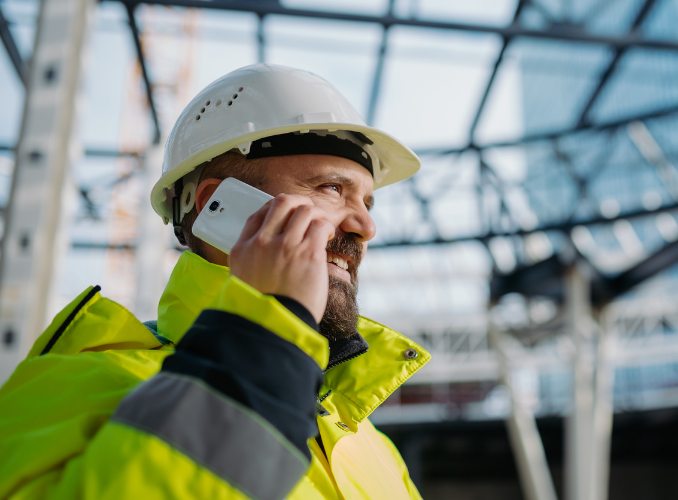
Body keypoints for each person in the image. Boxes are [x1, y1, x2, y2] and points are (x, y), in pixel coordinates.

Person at [0, 64, 429, 499]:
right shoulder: (70, 386)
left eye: (367, 202)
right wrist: (267, 332)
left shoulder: (375, 449)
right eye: (331, 188)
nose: (366, 227)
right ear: (216, 205)